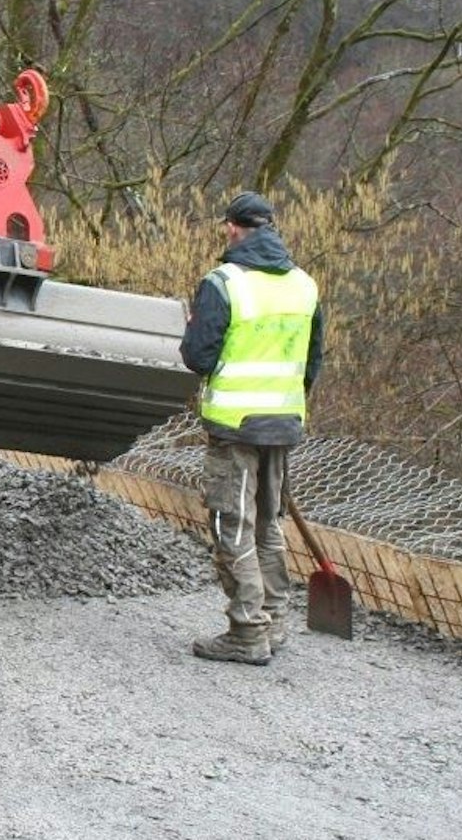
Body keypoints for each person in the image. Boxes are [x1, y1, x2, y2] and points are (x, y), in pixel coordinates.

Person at [180, 190, 325, 666]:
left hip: (236, 427)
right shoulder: (305, 285)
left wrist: (195, 327)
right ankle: (275, 620)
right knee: (268, 523)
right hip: (282, 422)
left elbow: (197, 356)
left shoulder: (224, 283)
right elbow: (311, 362)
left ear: (231, 228)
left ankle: (247, 630)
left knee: (230, 524)